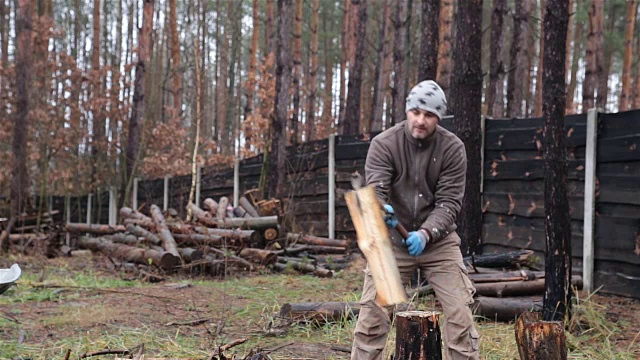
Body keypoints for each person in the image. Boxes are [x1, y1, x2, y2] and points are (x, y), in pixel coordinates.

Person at [350, 80, 480, 360]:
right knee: (373, 318)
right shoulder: (384, 144)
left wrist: (426, 233)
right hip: (391, 243)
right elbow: (377, 189)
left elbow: (449, 202)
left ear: (439, 118)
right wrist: (380, 207)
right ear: (408, 110)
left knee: (460, 315)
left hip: (439, 243)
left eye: (430, 115)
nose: (421, 120)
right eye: (416, 112)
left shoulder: (453, 148)